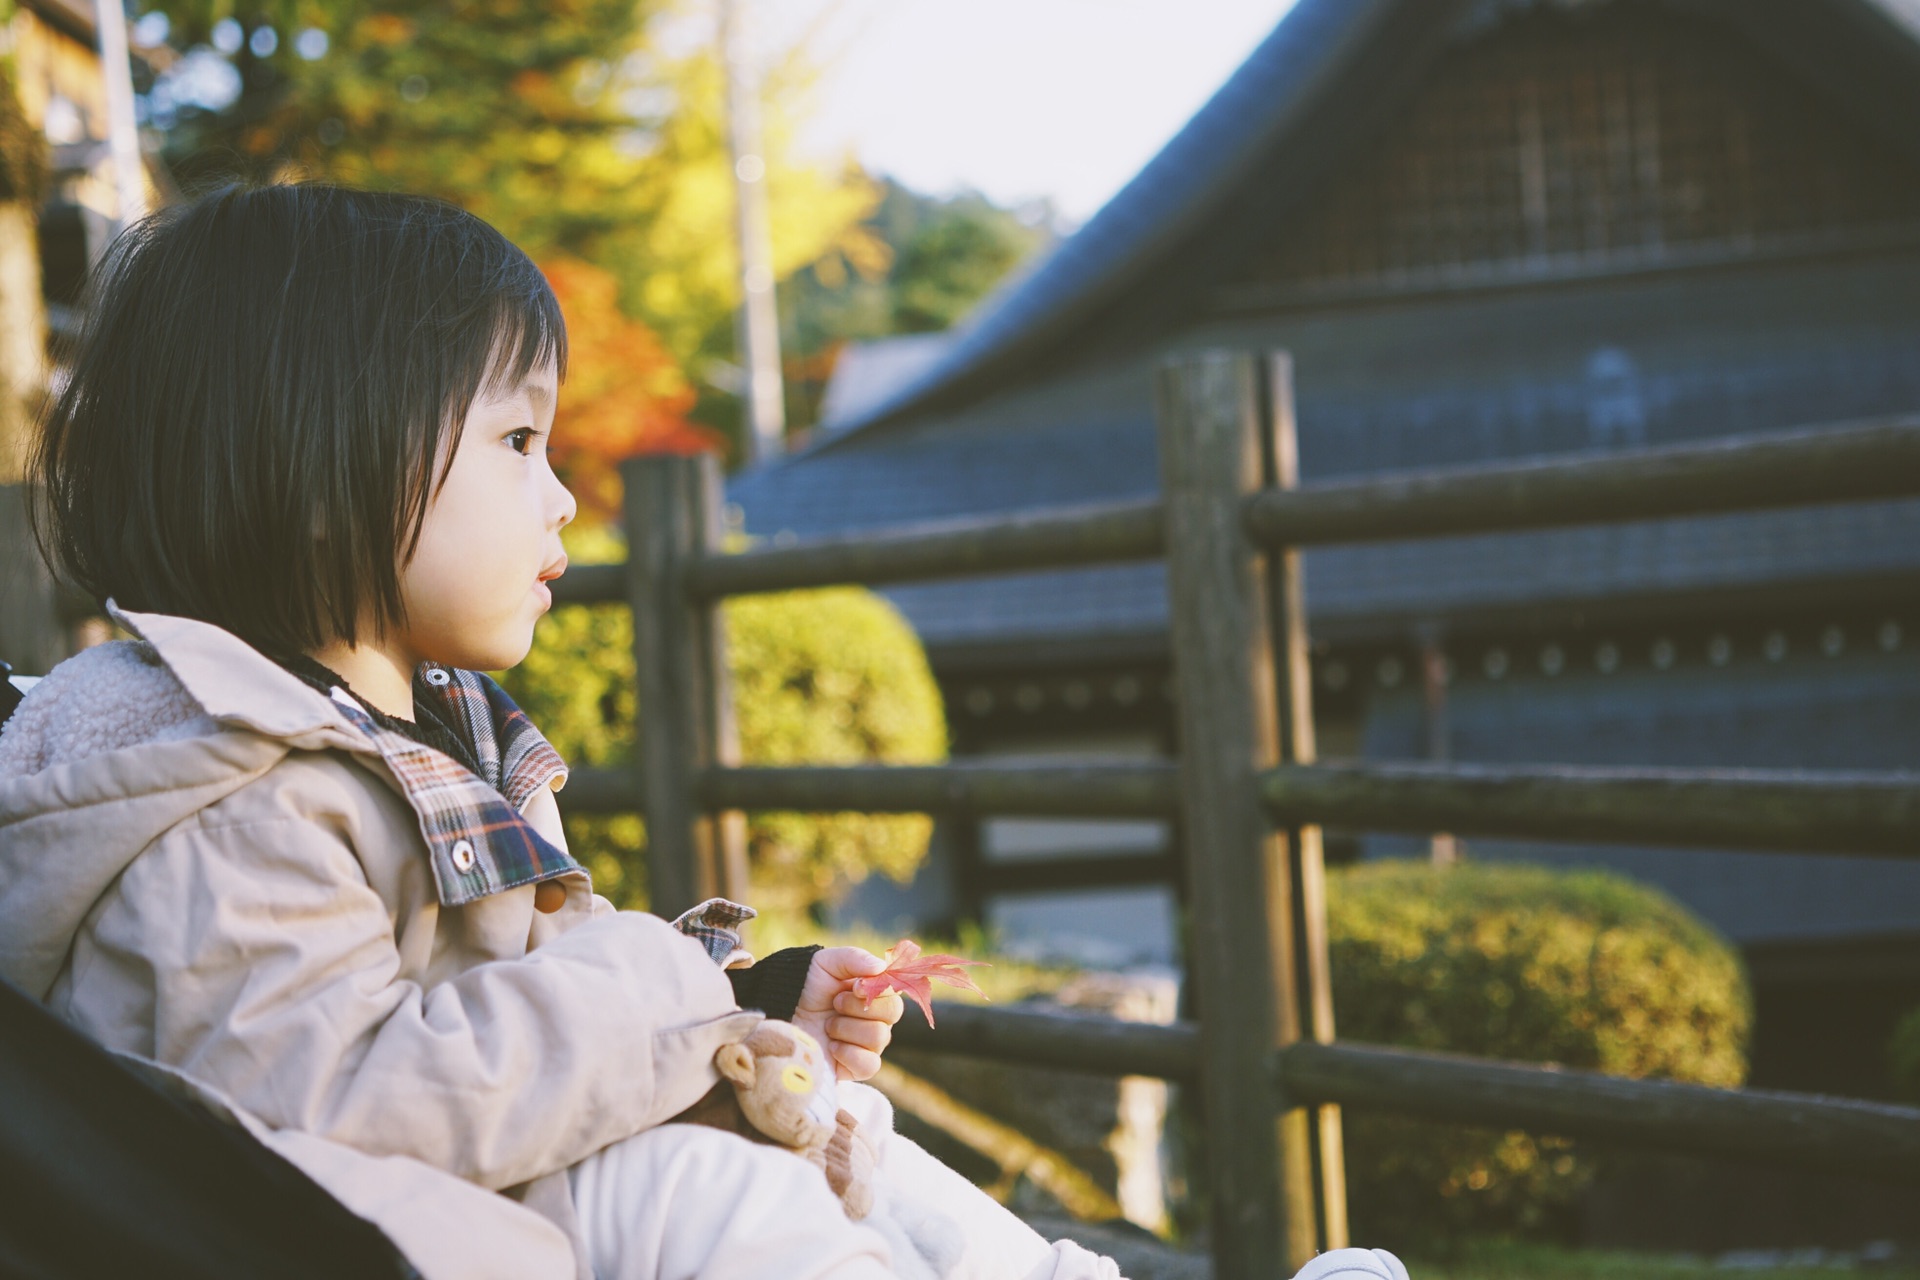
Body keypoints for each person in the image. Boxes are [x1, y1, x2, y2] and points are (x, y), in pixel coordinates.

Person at [0, 183, 1407, 1280]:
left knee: (844, 1130)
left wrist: (739, 1021)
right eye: (515, 444)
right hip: (374, 1238)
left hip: (490, 1191)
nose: (562, 498)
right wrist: (661, 1001)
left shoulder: (404, 734)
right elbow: (335, 1106)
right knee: (710, 1188)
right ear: (316, 469)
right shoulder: (220, 790)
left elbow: (518, 1021)